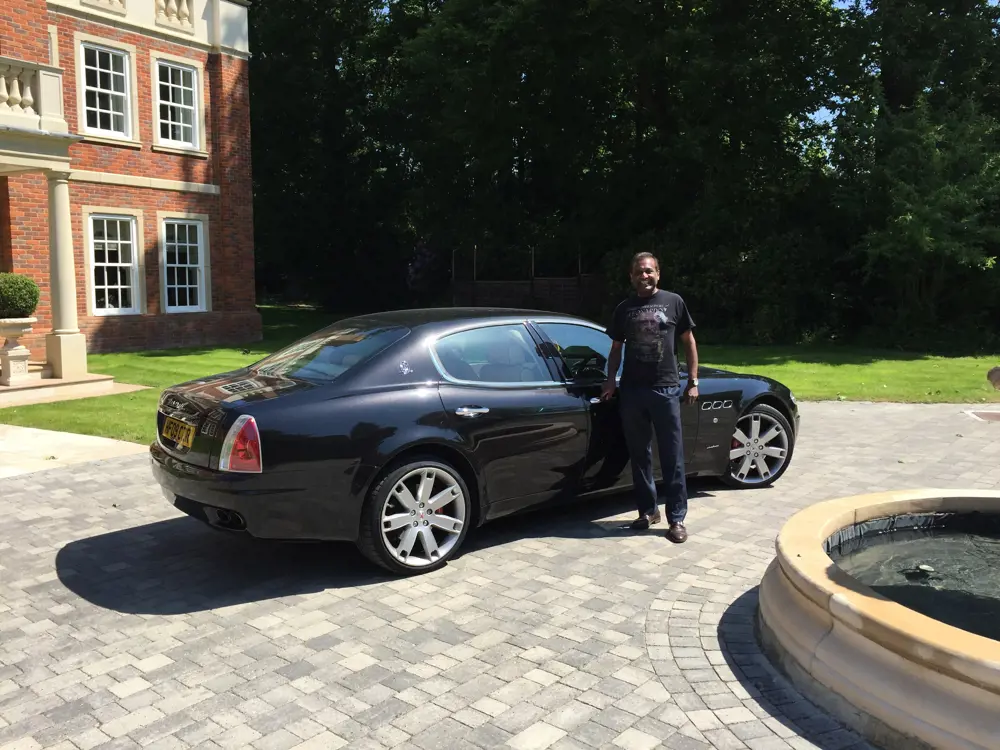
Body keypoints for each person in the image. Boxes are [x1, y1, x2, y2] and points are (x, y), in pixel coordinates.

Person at [601, 251, 699, 543]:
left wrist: (692, 381)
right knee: (639, 455)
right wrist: (610, 381)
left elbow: (689, 343)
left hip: (666, 388)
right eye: (639, 272)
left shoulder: (674, 302)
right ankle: (647, 511)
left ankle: (677, 518)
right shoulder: (624, 309)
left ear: (658, 274)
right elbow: (616, 348)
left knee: (672, 456)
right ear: (631, 277)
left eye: (649, 272)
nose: (644, 276)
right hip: (632, 390)